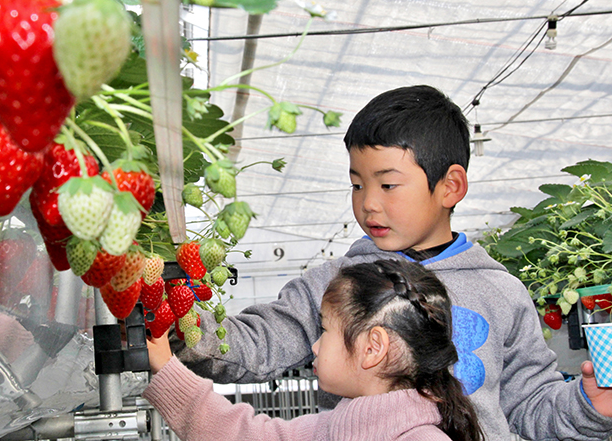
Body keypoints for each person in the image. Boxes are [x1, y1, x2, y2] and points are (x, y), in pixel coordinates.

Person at [172, 85, 612, 440]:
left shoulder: (502, 293)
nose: (368, 204)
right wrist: (180, 326)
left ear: (450, 187)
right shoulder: (338, 283)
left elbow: (532, 404)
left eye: (388, 185)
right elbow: (260, 342)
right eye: (357, 184)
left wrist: (589, 406)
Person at [146, 259, 484, 441]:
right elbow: (241, 434)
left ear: (372, 348)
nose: (315, 345)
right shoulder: (333, 428)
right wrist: (165, 366)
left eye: (325, 329)